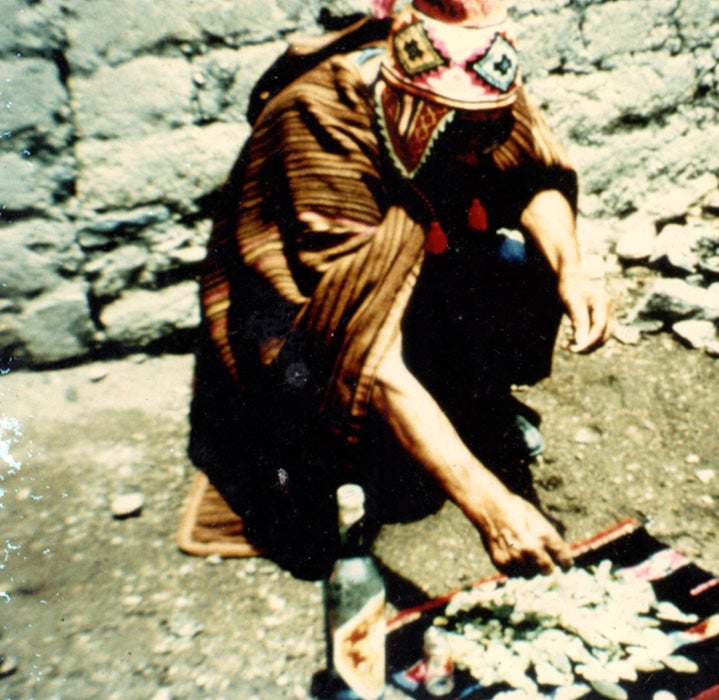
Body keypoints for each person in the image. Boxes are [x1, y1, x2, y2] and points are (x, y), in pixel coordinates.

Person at [188, 0, 611, 579]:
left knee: (519, 262)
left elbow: (531, 172)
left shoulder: (480, 90)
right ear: (410, 104)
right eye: (459, 133)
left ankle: (468, 402)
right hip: (305, 319)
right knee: (344, 484)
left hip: (407, 270)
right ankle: (357, 450)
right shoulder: (319, 119)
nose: (476, 148)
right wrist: (489, 507)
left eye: (483, 128)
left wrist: (571, 269)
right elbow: (361, 340)